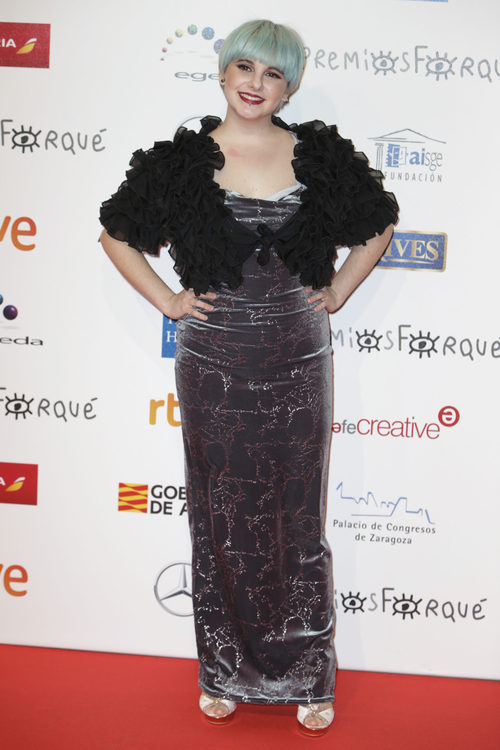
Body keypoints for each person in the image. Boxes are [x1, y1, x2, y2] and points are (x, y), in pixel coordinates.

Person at [99, 19, 398, 737]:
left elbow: (378, 225)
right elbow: (116, 234)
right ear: (224, 73)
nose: (256, 84)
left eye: (273, 74)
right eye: (245, 68)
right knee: (221, 517)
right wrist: (170, 300)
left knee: (297, 516)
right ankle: (224, 672)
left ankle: (308, 675)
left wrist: (338, 290)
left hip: (298, 359)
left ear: (289, 86)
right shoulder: (183, 161)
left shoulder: (317, 155)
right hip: (214, 363)